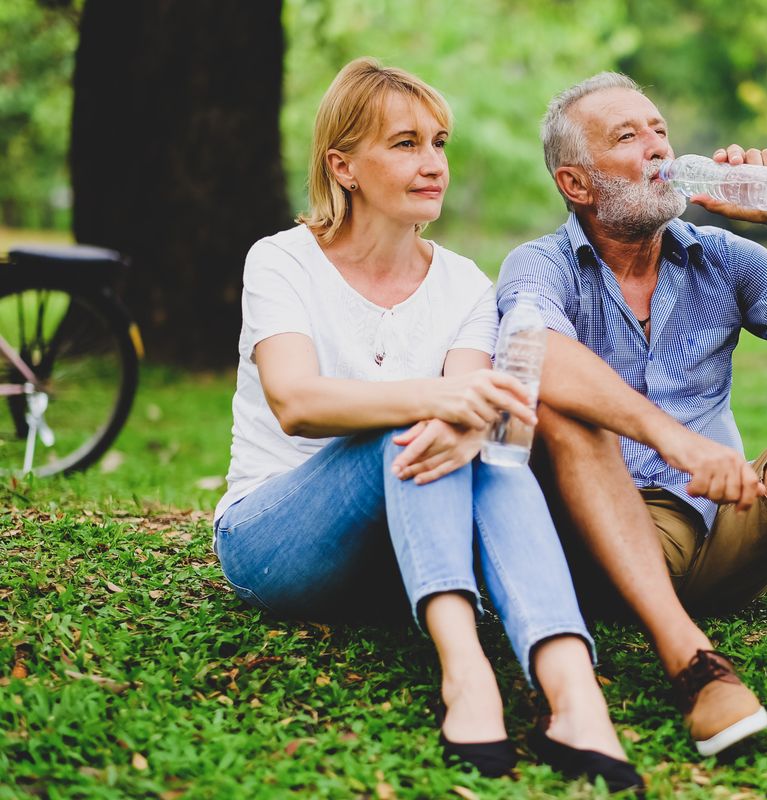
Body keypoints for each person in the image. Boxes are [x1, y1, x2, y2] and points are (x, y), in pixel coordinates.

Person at [211, 58, 641, 792]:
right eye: (406, 144)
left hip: (401, 546)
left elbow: (471, 420)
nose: (433, 163)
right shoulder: (282, 261)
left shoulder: (467, 286)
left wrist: (461, 414)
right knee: (414, 423)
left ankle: (572, 691)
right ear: (343, 166)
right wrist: (441, 403)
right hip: (276, 538)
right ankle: (466, 669)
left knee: (477, 448)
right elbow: (296, 400)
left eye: (439, 142)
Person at [496, 72, 767, 757]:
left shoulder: (720, 256)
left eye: (659, 130)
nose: (656, 148)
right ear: (576, 184)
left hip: (722, 525)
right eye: (627, 136)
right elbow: (535, 354)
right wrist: (679, 444)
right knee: (566, 412)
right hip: (604, 535)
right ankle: (693, 664)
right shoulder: (542, 265)